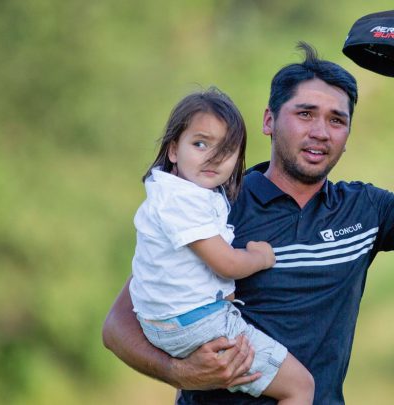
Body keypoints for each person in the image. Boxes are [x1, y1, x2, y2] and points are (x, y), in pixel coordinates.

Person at [102, 43, 394, 404]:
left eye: (336, 120)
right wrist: (181, 373)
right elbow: (119, 324)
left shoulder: (364, 210)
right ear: (269, 120)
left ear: (348, 135)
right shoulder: (216, 207)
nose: (320, 132)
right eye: (305, 114)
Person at [129, 87, 314, 404]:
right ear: (174, 149)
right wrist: (259, 257)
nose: (213, 157)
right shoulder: (182, 202)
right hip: (195, 324)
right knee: (300, 386)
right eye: (200, 144)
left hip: (164, 321)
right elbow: (225, 263)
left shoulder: (169, 190)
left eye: (226, 151)